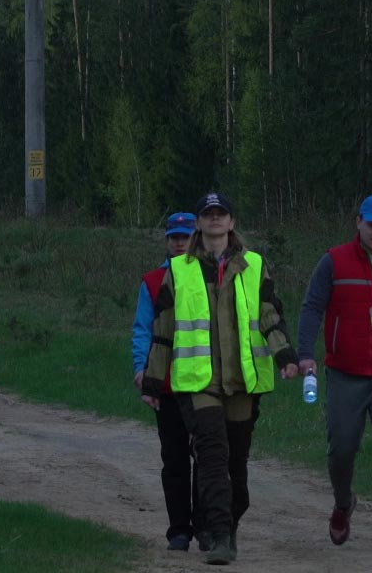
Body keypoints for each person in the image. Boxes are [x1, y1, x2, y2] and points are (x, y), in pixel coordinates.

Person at [142, 193, 300, 566]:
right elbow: (163, 329)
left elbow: (269, 315)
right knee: (212, 456)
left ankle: (226, 524)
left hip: (243, 382)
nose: (214, 219)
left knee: (236, 464)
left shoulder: (256, 265)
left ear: (231, 222)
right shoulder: (178, 269)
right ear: (198, 223)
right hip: (198, 383)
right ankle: (218, 535)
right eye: (207, 214)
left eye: (221, 214)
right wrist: (152, 382)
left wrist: (285, 356)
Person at [298, 194, 372, 551]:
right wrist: (305, 354)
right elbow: (313, 307)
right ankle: (344, 503)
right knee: (342, 450)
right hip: (345, 372)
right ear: (358, 222)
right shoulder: (334, 261)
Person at [134, 212, 202, 550]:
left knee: (206, 458)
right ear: (166, 240)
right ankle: (179, 530)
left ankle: (205, 527)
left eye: (185, 236)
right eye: (174, 236)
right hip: (167, 384)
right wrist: (141, 370)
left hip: (205, 383)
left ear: (196, 238)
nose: (179, 242)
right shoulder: (152, 281)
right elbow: (142, 330)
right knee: (174, 458)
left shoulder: (210, 276)